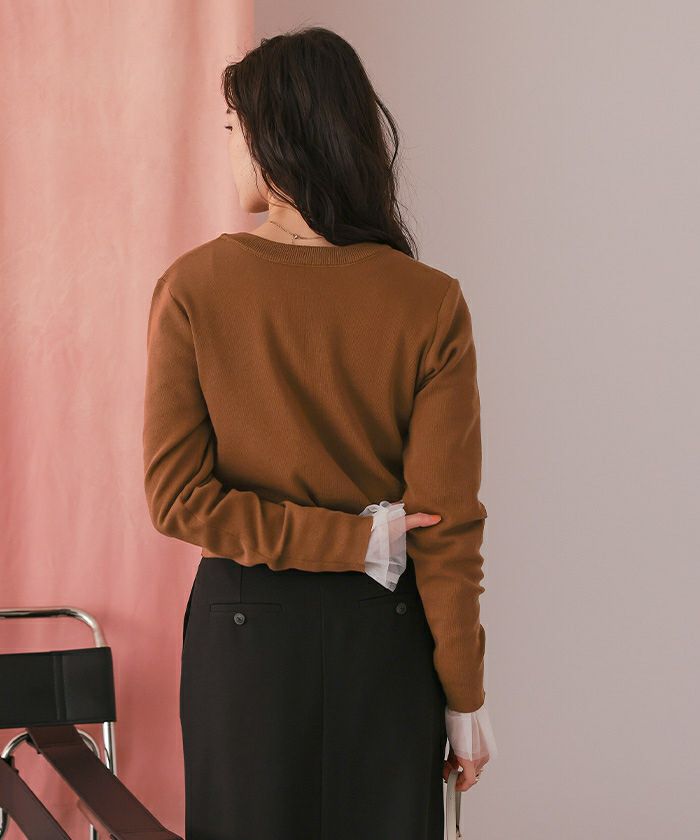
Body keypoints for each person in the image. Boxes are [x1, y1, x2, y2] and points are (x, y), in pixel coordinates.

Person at [142, 24, 497, 840]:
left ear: (274, 138)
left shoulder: (193, 288)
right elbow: (449, 529)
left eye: (232, 128)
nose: (229, 149)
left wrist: (354, 541)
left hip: (245, 646)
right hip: (387, 642)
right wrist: (465, 697)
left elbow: (178, 499)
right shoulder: (428, 301)